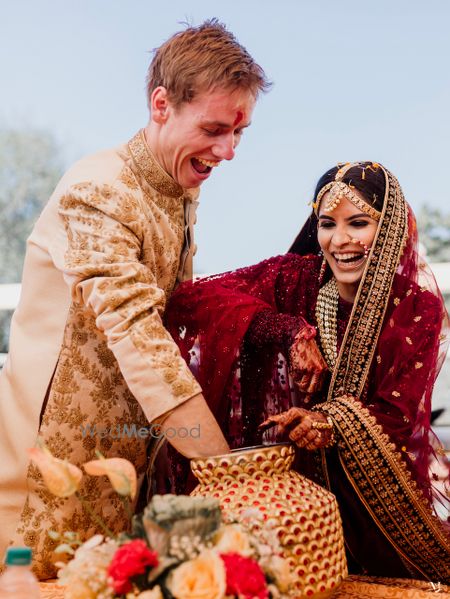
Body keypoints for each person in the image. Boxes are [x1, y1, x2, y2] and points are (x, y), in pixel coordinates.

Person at [0, 20, 270, 578]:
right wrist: (231, 479)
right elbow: (141, 339)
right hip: (45, 477)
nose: (229, 150)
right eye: (215, 129)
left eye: (238, 133)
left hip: (124, 461)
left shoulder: (177, 190)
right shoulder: (100, 190)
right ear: (162, 104)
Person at [165, 162, 450, 582]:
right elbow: (192, 300)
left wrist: (326, 421)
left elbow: (398, 415)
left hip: (376, 503)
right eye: (327, 224)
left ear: (388, 227)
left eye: (358, 223)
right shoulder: (294, 280)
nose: (340, 241)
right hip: (292, 501)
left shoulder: (416, 308)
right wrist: (288, 330)